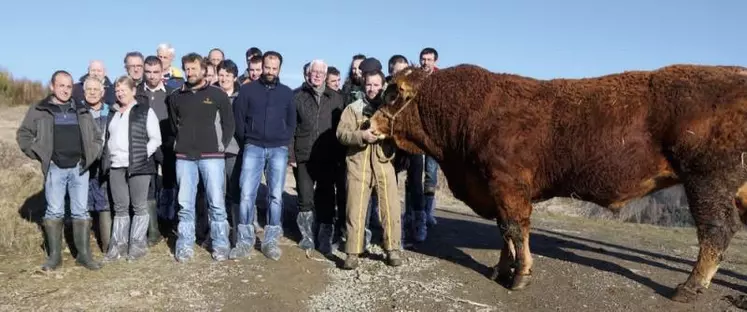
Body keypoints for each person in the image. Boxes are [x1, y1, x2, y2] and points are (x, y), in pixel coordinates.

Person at [16, 70, 103, 271]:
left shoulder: (80, 109)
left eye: (68, 86)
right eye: (61, 85)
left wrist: (89, 157)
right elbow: (24, 135)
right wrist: (41, 154)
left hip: (79, 169)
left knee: (81, 210)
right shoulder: (40, 109)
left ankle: (84, 256)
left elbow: (97, 137)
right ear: (52, 86)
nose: (65, 90)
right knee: (54, 210)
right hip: (55, 169)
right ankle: (54, 258)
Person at [167, 53, 235, 262]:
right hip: (185, 157)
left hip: (212, 156)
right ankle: (185, 245)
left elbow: (228, 124)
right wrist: (181, 144)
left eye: (194, 68)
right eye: (187, 69)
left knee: (216, 203)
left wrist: (219, 146)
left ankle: (221, 244)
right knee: (185, 205)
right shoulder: (176, 96)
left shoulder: (217, 95)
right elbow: (172, 125)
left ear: (203, 69)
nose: (190, 72)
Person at [231, 51, 296, 261]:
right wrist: (249, 138)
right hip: (253, 146)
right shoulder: (248, 90)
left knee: (275, 195)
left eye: (274, 68)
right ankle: (244, 241)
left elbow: (291, 121)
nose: (269, 71)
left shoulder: (287, 93)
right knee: (246, 193)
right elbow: (238, 120)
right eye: (267, 67)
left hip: (278, 148)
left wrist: (283, 139)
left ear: (279, 69)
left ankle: (270, 241)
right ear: (262, 66)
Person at [336, 69, 402, 269]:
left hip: (383, 164)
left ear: (382, 85)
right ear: (363, 85)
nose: (372, 88)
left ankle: (392, 250)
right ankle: (352, 253)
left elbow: (400, 133)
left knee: (391, 207)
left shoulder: (390, 109)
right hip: (358, 164)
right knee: (354, 209)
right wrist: (361, 136)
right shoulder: (352, 109)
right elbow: (341, 134)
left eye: (375, 85)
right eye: (368, 84)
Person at [102, 76, 162, 262]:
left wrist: (142, 154)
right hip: (116, 165)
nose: (120, 93)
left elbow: (155, 139)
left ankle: (137, 245)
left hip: (139, 166)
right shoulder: (113, 112)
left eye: (123, 90)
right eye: (117, 90)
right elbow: (108, 139)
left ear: (133, 91)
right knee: (120, 207)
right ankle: (118, 247)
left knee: (139, 206)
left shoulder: (145, 111)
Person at [290, 59, 345, 255]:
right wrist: (291, 153)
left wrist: (340, 155)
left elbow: (341, 129)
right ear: (308, 73)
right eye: (315, 72)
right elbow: (290, 127)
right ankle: (307, 236)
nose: (318, 75)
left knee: (327, 197)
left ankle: (324, 236)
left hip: (328, 156)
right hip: (303, 155)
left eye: (321, 72)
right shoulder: (297, 96)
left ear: (325, 75)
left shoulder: (337, 98)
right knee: (305, 197)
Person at [82, 76, 114, 253]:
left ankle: (107, 246)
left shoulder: (111, 112)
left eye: (96, 90)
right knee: (82, 204)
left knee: (104, 202)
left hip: (104, 163)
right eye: (89, 89)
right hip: (83, 165)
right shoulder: (77, 112)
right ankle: (84, 248)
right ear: (84, 92)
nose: (92, 93)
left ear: (102, 92)